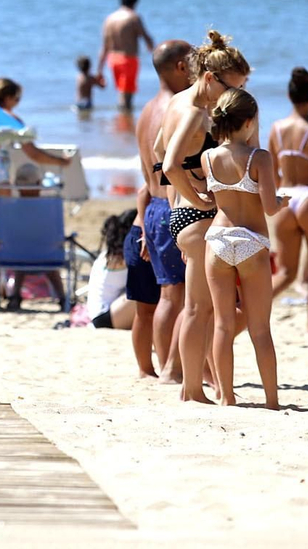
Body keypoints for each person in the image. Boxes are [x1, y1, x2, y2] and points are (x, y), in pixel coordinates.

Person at [155, 30, 249, 404]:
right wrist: (200, 200)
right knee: (198, 309)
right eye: (231, 87)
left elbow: (156, 154)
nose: (232, 96)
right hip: (195, 215)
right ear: (210, 78)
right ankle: (191, 388)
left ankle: (195, 384)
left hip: (181, 213)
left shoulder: (177, 101)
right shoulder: (194, 113)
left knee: (201, 308)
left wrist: (177, 201)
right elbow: (168, 164)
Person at [201, 88, 282, 409]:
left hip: (218, 239)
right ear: (249, 122)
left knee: (222, 324)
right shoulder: (258, 157)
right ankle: (272, 400)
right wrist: (281, 201)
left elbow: (214, 197)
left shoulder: (209, 157)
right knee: (260, 328)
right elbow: (270, 208)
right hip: (251, 239)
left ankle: (226, 396)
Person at [133, 39, 194, 381]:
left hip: (153, 205)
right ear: (181, 68)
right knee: (174, 296)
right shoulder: (176, 108)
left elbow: (147, 172)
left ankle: (169, 367)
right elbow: (171, 170)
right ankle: (172, 370)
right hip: (171, 205)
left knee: (168, 295)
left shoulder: (145, 111)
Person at [0, 78, 69, 250]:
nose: (17, 103)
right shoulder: (9, 118)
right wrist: (62, 161)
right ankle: (0, 277)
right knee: (1, 238)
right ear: (8, 98)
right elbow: (33, 153)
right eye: (17, 99)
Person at [270, 67, 308, 332]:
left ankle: (246, 309)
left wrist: (274, 200)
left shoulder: (276, 129)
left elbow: (271, 170)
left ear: (289, 95)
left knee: (285, 273)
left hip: (285, 196)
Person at [96, 0, 154, 112]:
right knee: (127, 95)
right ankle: (125, 123)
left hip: (112, 59)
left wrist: (100, 70)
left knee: (121, 91)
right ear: (134, 3)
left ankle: (122, 119)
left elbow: (105, 46)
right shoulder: (133, 17)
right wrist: (154, 52)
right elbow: (145, 36)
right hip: (128, 58)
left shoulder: (110, 19)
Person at [86, 210, 136, 332]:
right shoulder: (120, 260)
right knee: (147, 292)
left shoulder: (109, 256)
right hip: (104, 316)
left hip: (104, 313)